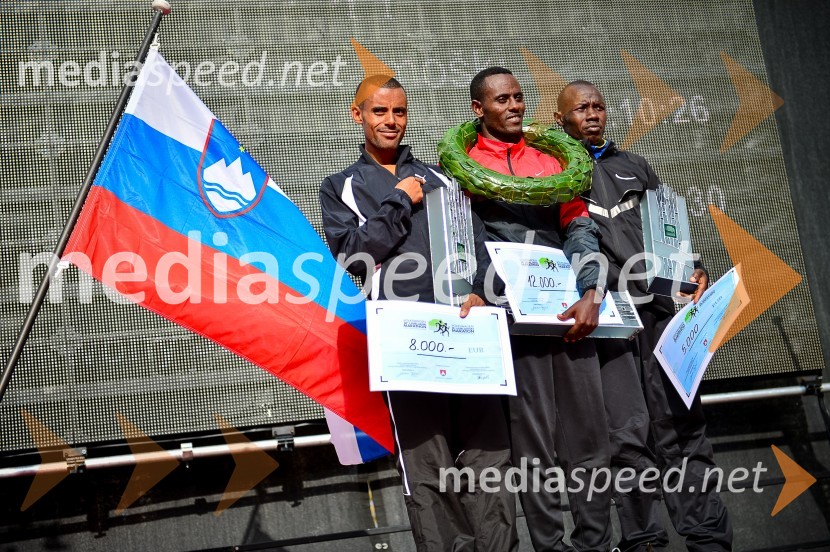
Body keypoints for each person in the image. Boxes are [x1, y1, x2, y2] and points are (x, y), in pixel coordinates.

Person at [319, 75, 519, 552]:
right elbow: (354, 258)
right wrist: (398, 200)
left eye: (400, 111)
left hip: (466, 333)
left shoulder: (442, 177)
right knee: (428, 465)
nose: (391, 121)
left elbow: (479, 244)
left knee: (489, 459)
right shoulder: (340, 186)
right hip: (405, 341)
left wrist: (482, 292)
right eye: (379, 111)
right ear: (358, 115)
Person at [555, 80, 733, 551]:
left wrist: (693, 267)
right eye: (581, 109)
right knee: (626, 435)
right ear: (560, 119)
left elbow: (669, 230)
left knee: (682, 425)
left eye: (597, 106)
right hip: (609, 320)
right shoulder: (556, 174)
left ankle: (709, 538)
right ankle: (645, 541)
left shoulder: (634, 165)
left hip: (660, 312)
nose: (592, 115)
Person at [465, 66, 615, 552]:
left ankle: (596, 544)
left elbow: (579, 227)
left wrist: (591, 291)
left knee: (590, 438)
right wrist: (486, 290)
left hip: (570, 313)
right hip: (516, 322)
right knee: (534, 449)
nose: (514, 106)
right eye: (502, 100)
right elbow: (470, 240)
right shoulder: (464, 165)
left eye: (518, 97)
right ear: (478, 109)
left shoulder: (551, 158)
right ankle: (551, 546)